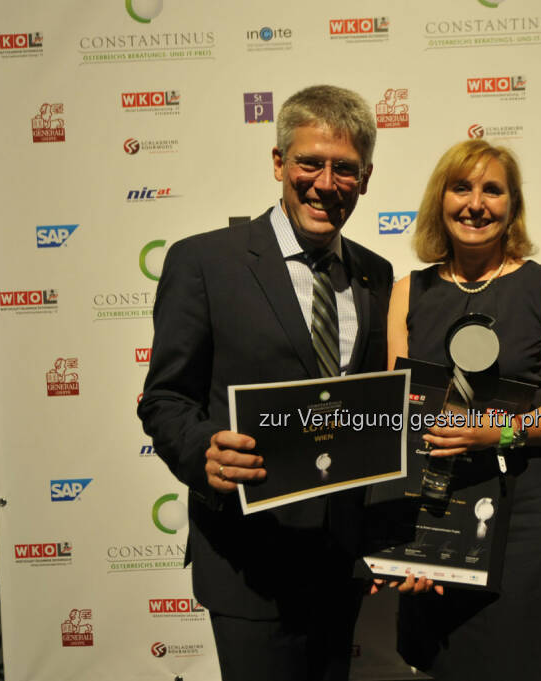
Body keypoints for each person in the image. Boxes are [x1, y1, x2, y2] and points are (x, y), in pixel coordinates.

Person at [138, 85, 393, 681]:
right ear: (278, 163)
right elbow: (166, 396)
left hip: (341, 559)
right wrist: (204, 452)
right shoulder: (204, 262)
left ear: (366, 176)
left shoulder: (377, 275)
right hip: (248, 557)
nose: (325, 183)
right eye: (309, 162)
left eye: (345, 169)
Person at [387, 139, 541, 680]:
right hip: (437, 507)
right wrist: (399, 541)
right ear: (441, 199)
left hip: (525, 511)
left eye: (492, 190)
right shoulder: (408, 292)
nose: (476, 203)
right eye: (462, 188)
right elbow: (398, 416)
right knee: (453, 663)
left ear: (512, 205)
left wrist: (496, 434)